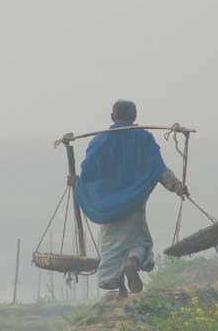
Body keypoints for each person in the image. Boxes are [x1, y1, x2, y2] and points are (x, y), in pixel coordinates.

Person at [75, 100, 187, 297]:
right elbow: (158, 168)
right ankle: (132, 263)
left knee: (112, 243)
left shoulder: (100, 140)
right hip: (135, 201)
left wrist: (76, 183)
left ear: (112, 117)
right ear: (134, 117)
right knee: (140, 240)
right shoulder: (143, 138)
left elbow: (88, 173)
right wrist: (176, 186)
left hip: (107, 204)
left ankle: (120, 288)